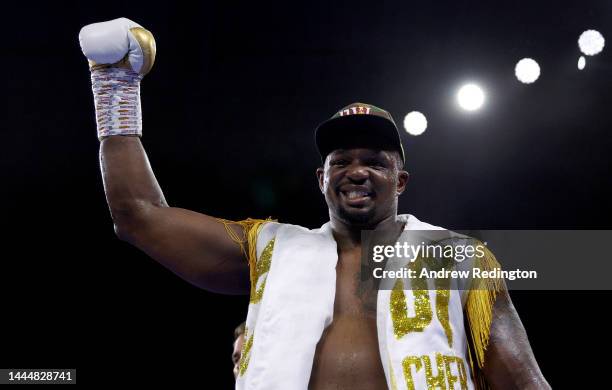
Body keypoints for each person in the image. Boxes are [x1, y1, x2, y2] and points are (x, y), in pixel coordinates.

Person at [79, 17, 550, 390]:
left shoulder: (459, 259)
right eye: (341, 160)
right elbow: (139, 216)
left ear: (400, 180)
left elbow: (526, 384)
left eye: (375, 161)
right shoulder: (269, 248)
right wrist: (114, 90)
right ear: (320, 179)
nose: (357, 170)